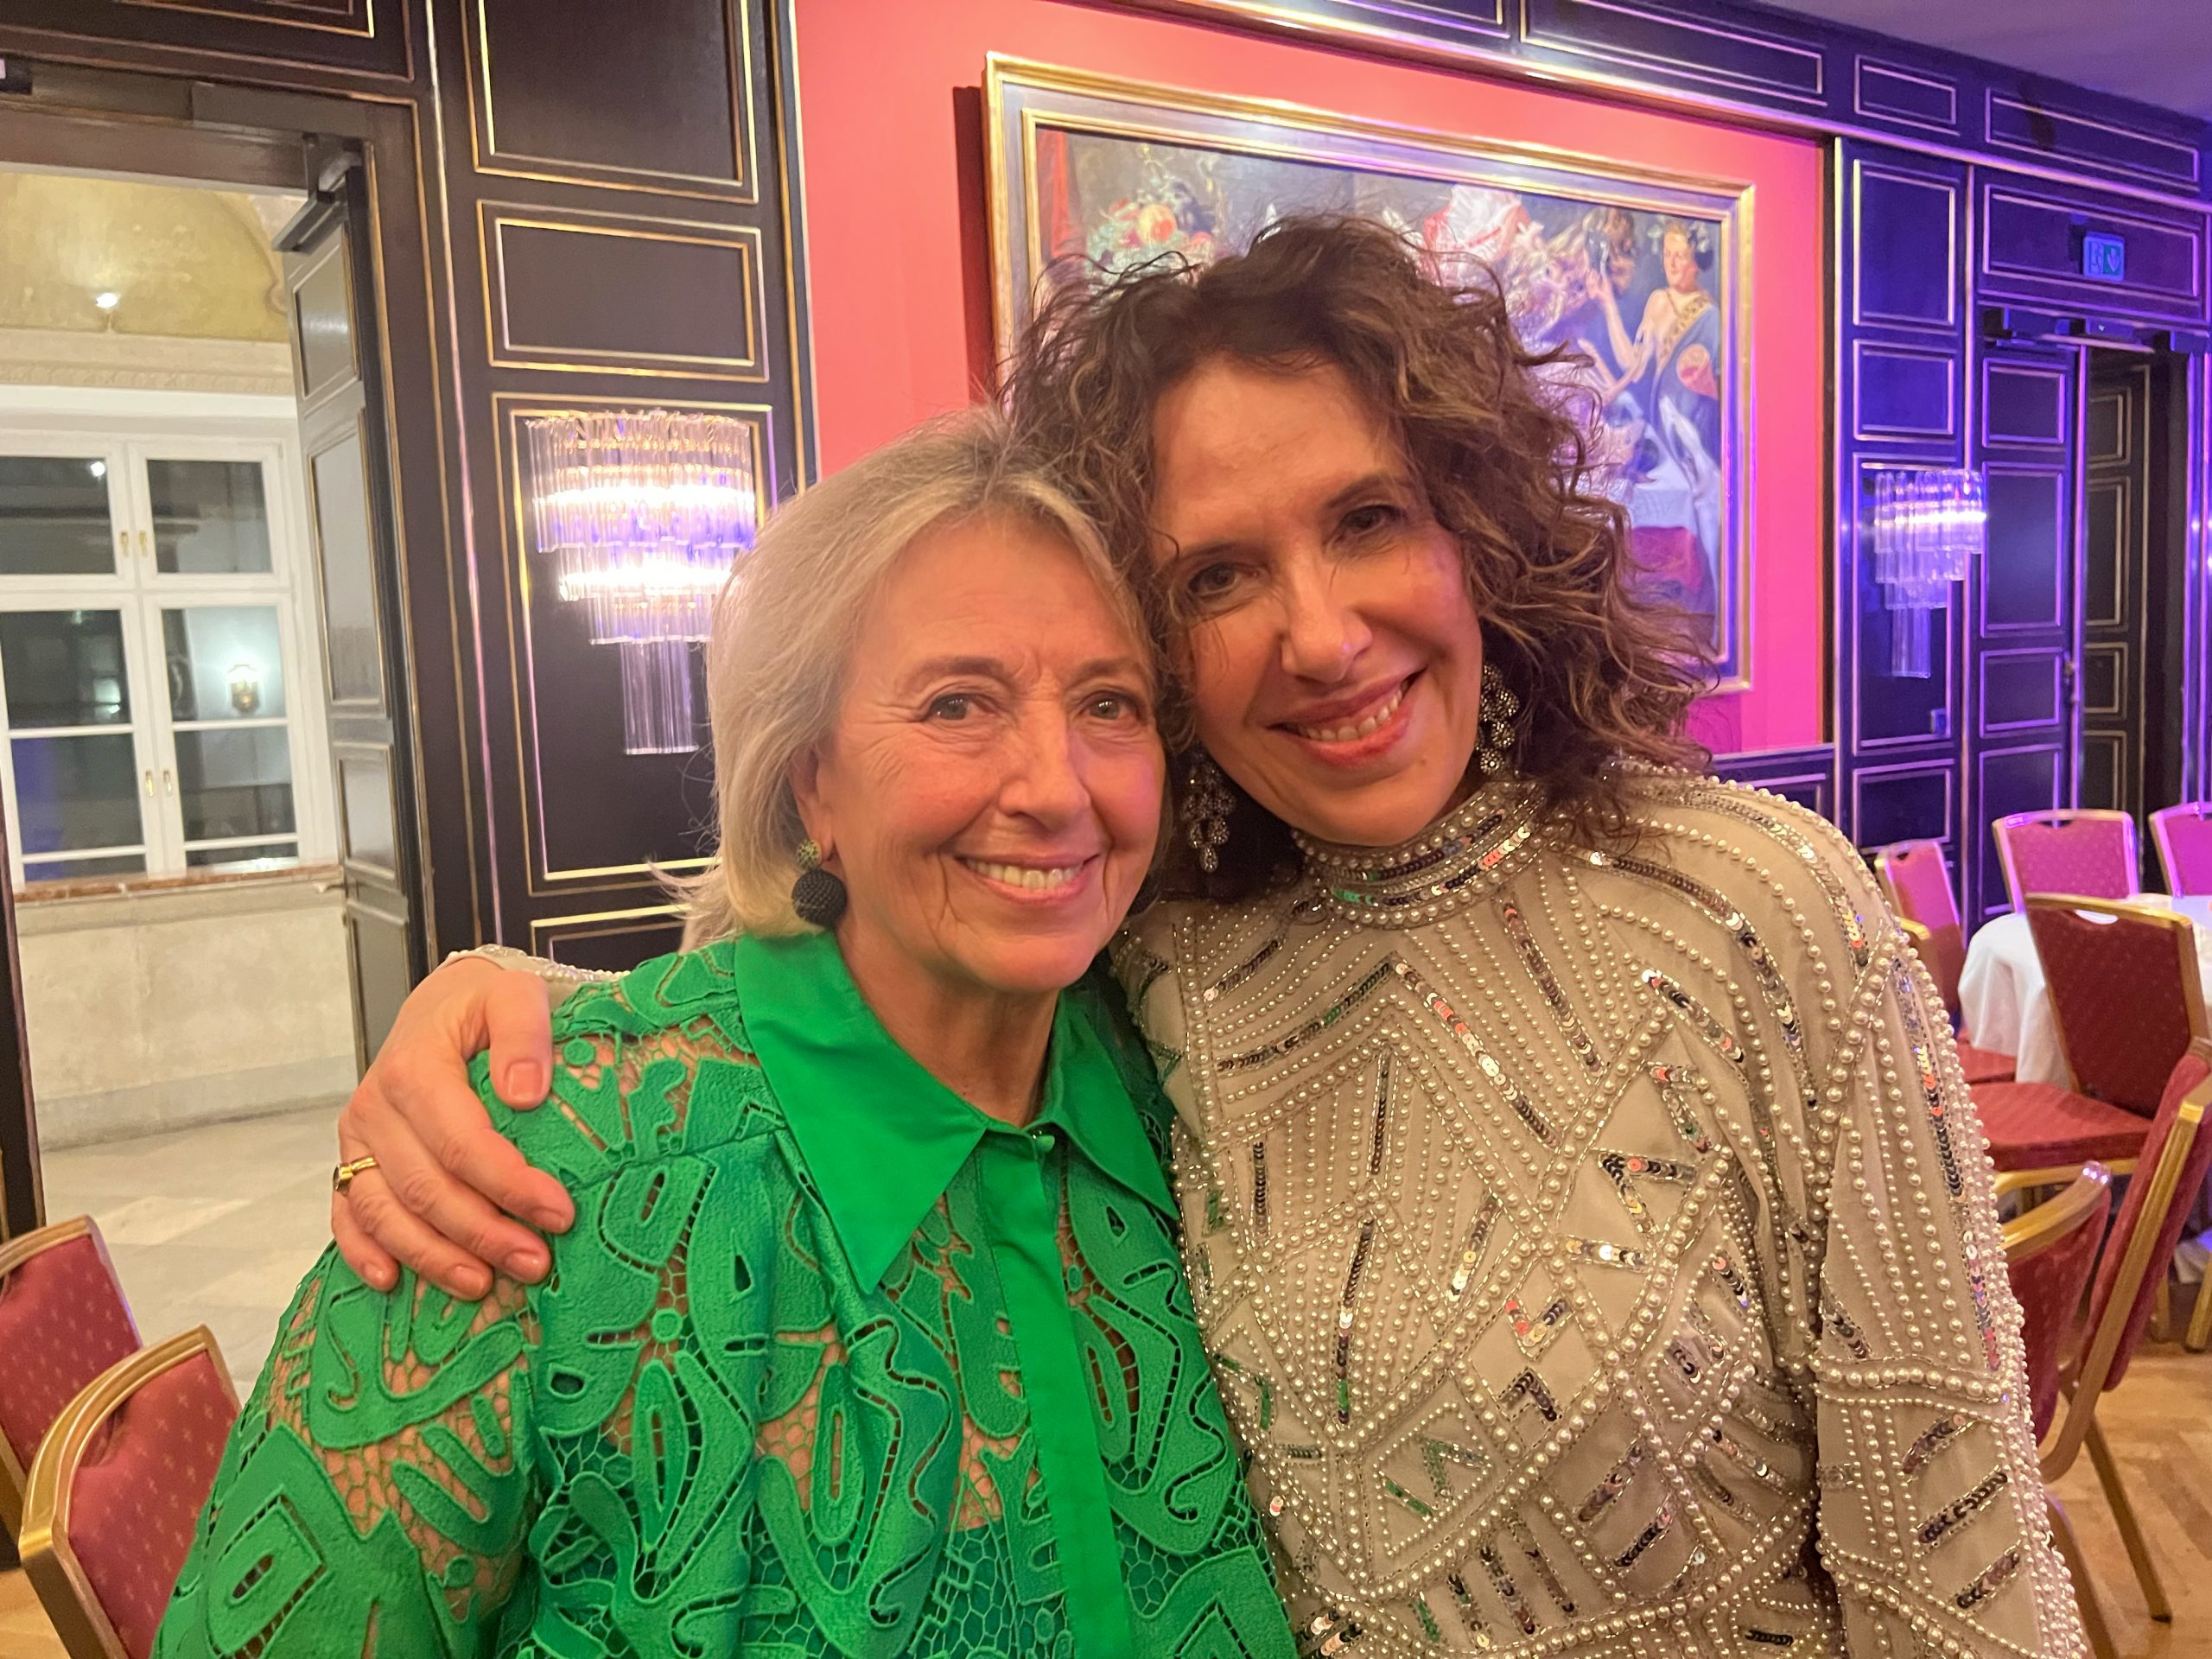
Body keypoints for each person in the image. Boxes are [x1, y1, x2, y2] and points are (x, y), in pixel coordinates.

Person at [327, 219, 2086, 1657]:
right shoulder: (1165, 964)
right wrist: (530, 1012)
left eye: (1366, 521)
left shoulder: (1756, 909)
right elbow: (864, 1000)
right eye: (1216, 578)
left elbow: (1963, 1573)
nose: (1317, 635)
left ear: (1474, 530)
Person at [155, 415, 1296, 1658]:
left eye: (1109, 703)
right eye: (958, 704)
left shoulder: (1208, 1087)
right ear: (809, 782)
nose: (1057, 786)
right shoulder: (536, 1179)